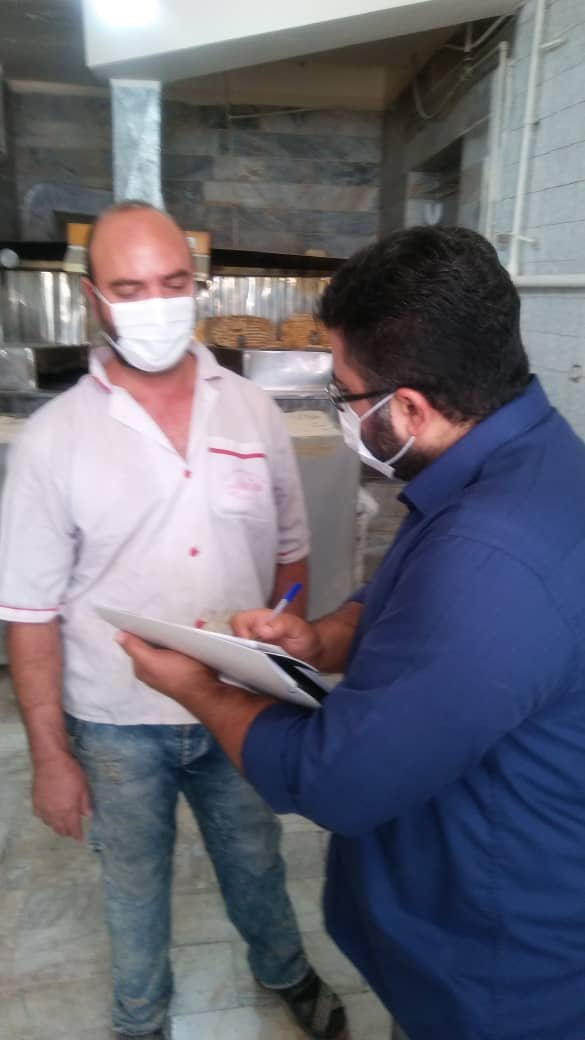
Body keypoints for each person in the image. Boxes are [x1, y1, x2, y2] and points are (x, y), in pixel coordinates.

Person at [119, 225, 585, 1040]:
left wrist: (199, 687)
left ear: (408, 408)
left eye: (345, 395)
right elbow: (409, 595)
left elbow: (334, 780)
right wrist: (321, 639)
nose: (343, 412)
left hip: (493, 976)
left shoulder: (491, 558)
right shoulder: (523, 460)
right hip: (465, 923)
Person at [0, 201, 347, 1040]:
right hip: (115, 721)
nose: (155, 304)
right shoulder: (53, 441)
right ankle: (141, 1018)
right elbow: (30, 613)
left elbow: (291, 556)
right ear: (93, 298)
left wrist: (280, 652)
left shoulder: (253, 413)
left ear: (197, 285)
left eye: (172, 282)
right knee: (133, 885)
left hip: (234, 700)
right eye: (128, 288)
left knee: (254, 858)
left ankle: (283, 968)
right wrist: (50, 755)